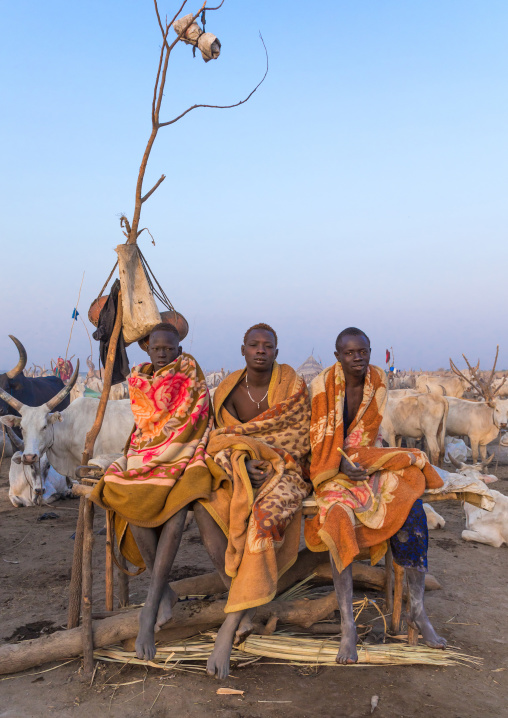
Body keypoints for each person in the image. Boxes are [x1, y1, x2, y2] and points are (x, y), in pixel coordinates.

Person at [305, 327, 446, 665]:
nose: (358, 357)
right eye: (350, 352)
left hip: (367, 460)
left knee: (411, 507)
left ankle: (418, 611)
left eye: (363, 351)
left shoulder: (378, 381)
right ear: (338, 355)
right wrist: (339, 461)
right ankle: (348, 626)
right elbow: (316, 439)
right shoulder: (322, 386)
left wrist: (363, 462)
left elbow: (370, 437)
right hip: (331, 468)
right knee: (338, 516)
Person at [90, 322, 213, 661]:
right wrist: (151, 454)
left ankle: (150, 606)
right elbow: (148, 425)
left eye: (168, 348)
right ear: (147, 348)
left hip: (185, 454)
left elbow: (196, 418)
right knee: (133, 504)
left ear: (178, 349)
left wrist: (173, 451)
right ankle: (165, 593)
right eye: (156, 347)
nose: (162, 352)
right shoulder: (139, 380)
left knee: (174, 514)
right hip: (148, 455)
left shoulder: (191, 377)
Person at [195, 323, 311, 679]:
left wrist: (270, 464)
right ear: (242, 349)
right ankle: (241, 596)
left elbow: (298, 438)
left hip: (287, 470)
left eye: (268, 346)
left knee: (263, 519)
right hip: (239, 468)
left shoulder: (292, 384)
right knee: (206, 504)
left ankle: (229, 627)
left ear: (277, 351)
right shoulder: (227, 390)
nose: (261, 350)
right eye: (254, 345)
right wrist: (244, 464)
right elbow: (220, 439)